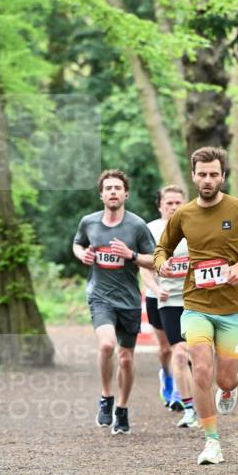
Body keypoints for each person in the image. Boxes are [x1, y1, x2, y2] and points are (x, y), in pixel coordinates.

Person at [154, 146, 238, 464]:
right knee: (202, 369)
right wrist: (162, 262)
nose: (207, 180)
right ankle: (211, 442)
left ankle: (229, 389)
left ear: (223, 176)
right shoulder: (184, 214)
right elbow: (162, 247)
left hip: (233, 306)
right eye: (202, 174)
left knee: (226, 378)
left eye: (213, 174)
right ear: (193, 176)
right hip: (195, 303)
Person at [73, 169, 155, 435]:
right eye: (108, 188)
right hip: (100, 297)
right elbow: (77, 244)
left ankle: (122, 407)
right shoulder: (89, 222)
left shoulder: (137, 226)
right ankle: (106, 397)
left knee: (127, 359)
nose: (113, 192)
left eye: (117, 188)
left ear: (125, 194)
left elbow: (154, 260)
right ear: (101, 195)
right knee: (107, 344)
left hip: (129, 301)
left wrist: (130, 254)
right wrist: (82, 255)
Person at [141, 185, 197, 428]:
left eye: (178, 203)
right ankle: (168, 379)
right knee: (166, 349)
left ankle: (185, 398)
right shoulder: (151, 230)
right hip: (161, 298)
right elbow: (145, 267)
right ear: (160, 205)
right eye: (169, 203)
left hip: (191, 298)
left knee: (184, 350)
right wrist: (155, 289)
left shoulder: (194, 226)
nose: (173, 207)